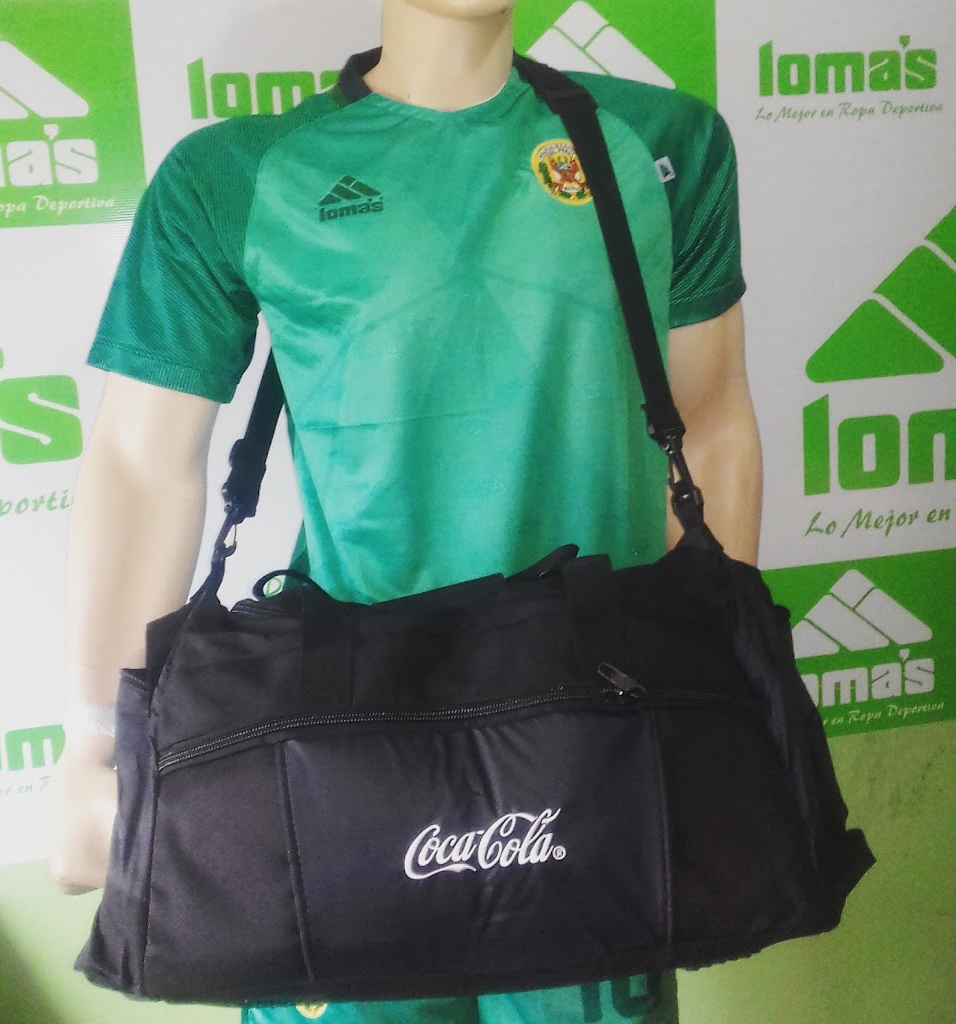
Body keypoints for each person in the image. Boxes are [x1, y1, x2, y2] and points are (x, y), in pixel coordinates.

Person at [49, 1, 763, 1022]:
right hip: (343, 750)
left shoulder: (664, 144)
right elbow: (138, 464)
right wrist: (95, 742)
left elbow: (709, 425)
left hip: (591, 739)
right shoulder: (239, 173)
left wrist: (716, 702)